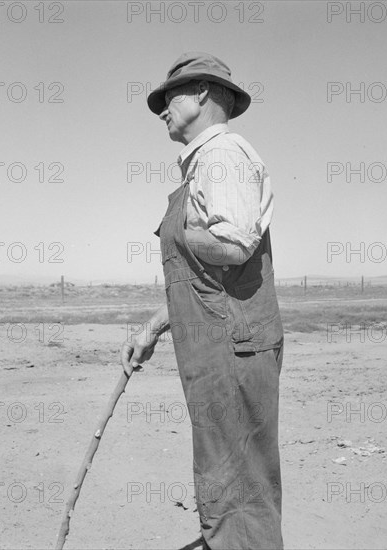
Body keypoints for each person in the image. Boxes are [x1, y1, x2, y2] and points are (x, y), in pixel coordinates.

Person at [121, 52, 285, 550]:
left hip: (233, 346)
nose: (162, 110)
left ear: (203, 94)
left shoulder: (224, 156)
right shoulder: (200, 166)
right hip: (215, 348)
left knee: (240, 489)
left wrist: (190, 235)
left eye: (170, 97)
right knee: (225, 480)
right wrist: (153, 326)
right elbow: (206, 281)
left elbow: (234, 247)